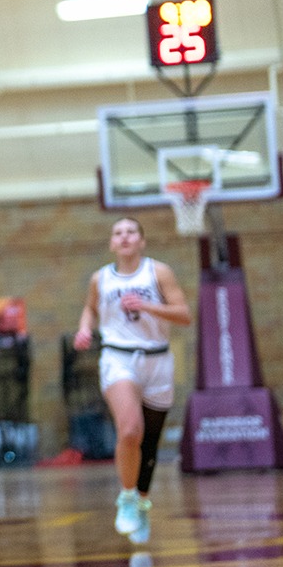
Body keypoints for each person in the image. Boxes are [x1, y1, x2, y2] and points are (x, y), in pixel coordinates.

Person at [74, 217, 191, 543]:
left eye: (131, 232)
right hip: (118, 357)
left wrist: (148, 306)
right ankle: (126, 498)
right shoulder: (101, 278)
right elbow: (90, 309)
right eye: (118, 232)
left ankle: (141, 499)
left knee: (149, 441)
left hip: (157, 359)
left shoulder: (159, 272)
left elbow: (184, 314)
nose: (124, 237)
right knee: (129, 430)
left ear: (141, 240)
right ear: (112, 243)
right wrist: (85, 328)